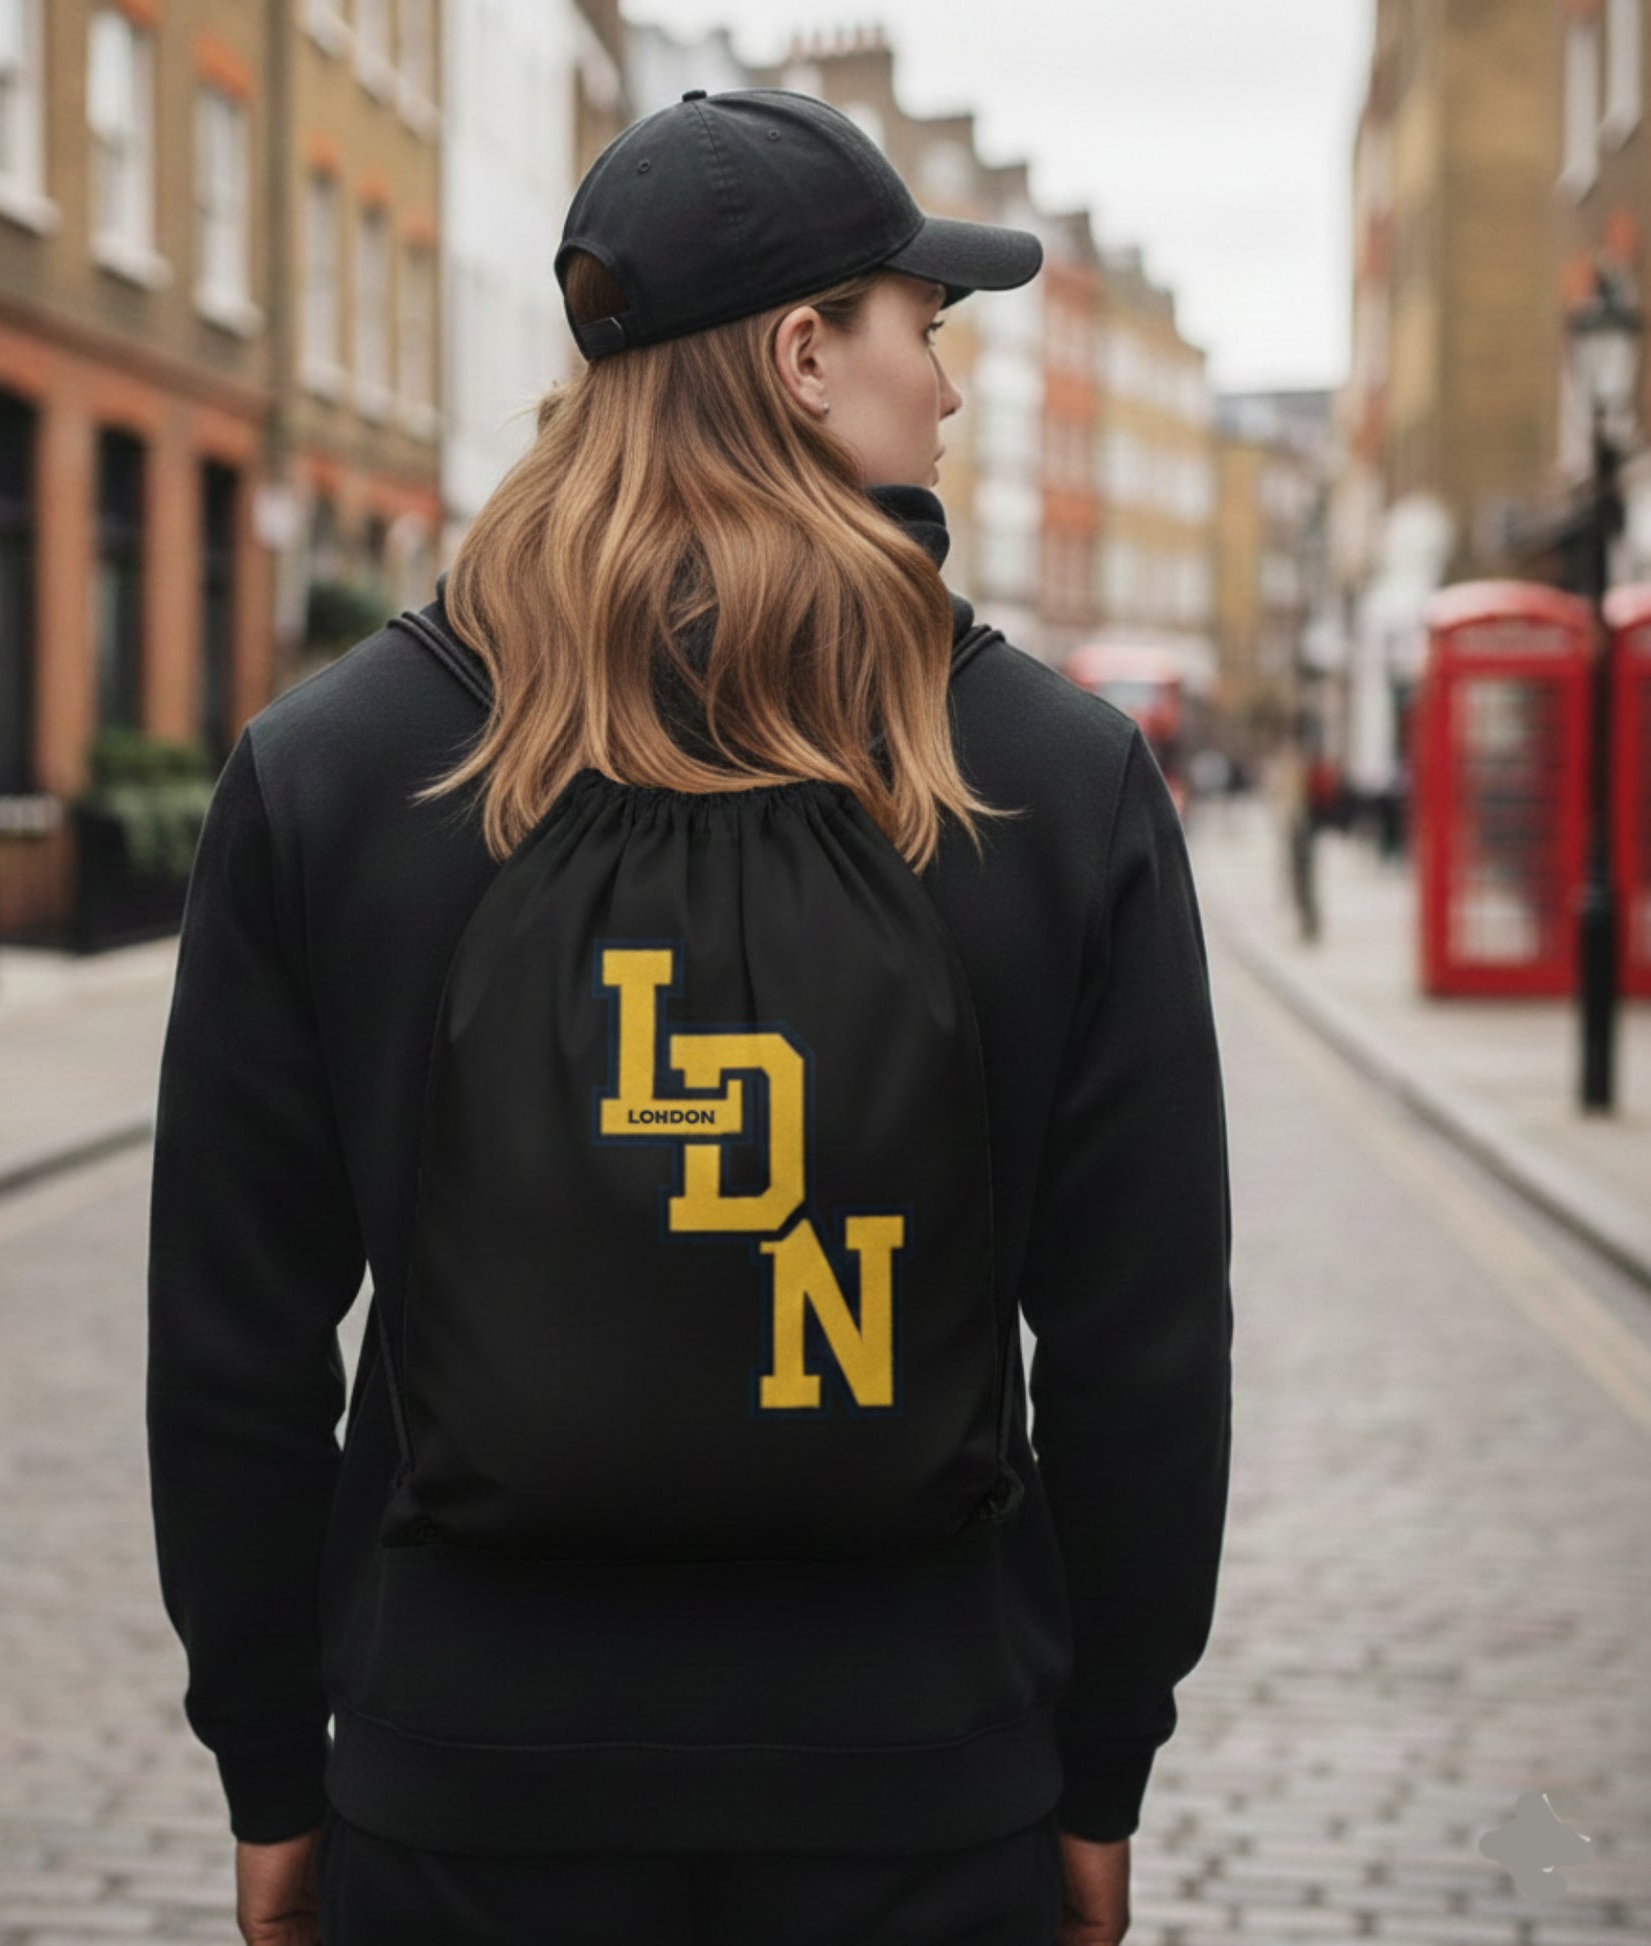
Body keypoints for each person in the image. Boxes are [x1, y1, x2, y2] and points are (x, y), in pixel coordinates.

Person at [147, 87, 1233, 1946]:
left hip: (469, 1792)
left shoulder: (334, 772)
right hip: (921, 1789)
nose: (947, 389)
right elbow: (1141, 1351)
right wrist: (1099, 1763)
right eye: (922, 327)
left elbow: (233, 1343)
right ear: (805, 356)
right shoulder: (1055, 782)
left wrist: (271, 1766)